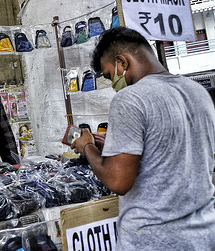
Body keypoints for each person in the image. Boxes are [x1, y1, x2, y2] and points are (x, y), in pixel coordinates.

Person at [72, 27, 215, 250]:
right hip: (204, 235)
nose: (113, 85)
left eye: (110, 76)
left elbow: (118, 181)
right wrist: (116, 144)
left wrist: (87, 146)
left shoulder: (130, 99)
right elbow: (171, 147)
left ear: (122, 62)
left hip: (154, 239)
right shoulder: (198, 92)